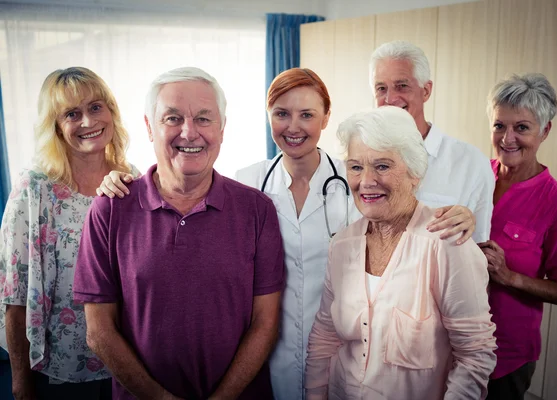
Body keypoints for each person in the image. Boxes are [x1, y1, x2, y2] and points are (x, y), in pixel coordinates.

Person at [96, 67, 477, 400]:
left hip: (345, 347)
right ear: (268, 118)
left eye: (307, 114)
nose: (293, 126)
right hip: (266, 353)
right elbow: (180, 172)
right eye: (282, 114)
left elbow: (406, 200)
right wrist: (117, 176)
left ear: (326, 118)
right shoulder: (246, 184)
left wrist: (462, 214)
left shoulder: (356, 176)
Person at [72, 67, 285, 400]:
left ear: (222, 128)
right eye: (172, 118)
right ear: (149, 127)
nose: (189, 132)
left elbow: (265, 324)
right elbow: (99, 333)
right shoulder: (110, 210)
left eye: (204, 118)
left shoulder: (257, 210)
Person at [305, 106, 497, 400]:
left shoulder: (446, 244)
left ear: (415, 173)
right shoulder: (341, 245)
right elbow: (324, 336)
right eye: (356, 167)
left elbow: (475, 356)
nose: (366, 181)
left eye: (382, 166)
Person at [0, 66, 138, 399]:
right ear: (56, 127)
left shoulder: (131, 180)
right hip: (58, 371)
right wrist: (21, 381)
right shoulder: (34, 189)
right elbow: (14, 297)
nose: (88, 122)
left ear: (111, 112)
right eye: (72, 114)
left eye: (95, 107)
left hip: (128, 364)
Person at [479, 73, 557, 400]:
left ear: (545, 131)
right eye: (499, 125)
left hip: (506, 354)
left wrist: (508, 276)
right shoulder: (477, 177)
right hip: (451, 339)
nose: (507, 138)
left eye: (522, 127)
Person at [370, 40, 495, 243]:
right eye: (381, 88)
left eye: (401, 86)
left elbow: (479, 247)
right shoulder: (364, 161)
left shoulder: (471, 163)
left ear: (426, 90)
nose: (390, 99)